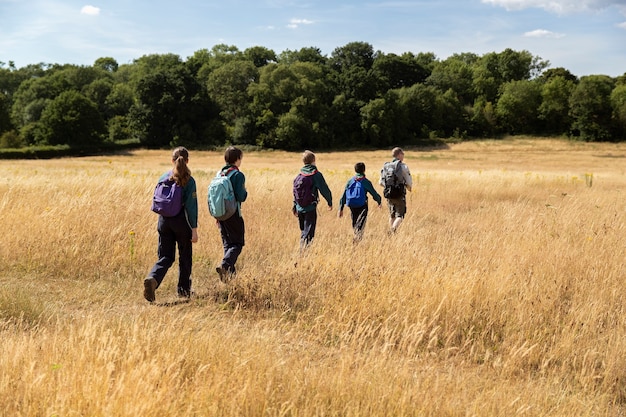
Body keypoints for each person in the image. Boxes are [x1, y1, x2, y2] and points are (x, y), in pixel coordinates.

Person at [144, 146, 198, 302]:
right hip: (182, 222)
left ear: (172, 160)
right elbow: (191, 207)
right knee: (185, 256)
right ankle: (183, 290)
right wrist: (194, 229)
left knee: (166, 256)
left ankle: (153, 278)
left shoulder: (163, 176)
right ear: (187, 161)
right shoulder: (189, 180)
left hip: (163, 221)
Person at [215, 146, 248, 282]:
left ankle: (230, 279)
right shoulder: (237, 175)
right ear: (238, 159)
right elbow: (241, 196)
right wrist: (245, 192)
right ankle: (225, 265)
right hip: (233, 213)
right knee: (237, 244)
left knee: (228, 244)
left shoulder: (220, 174)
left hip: (220, 213)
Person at [292, 150, 332, 248]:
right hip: (310, 208)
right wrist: (329, 202)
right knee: (308, 234)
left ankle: (303, 252)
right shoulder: (316, 174)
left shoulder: (299, 175)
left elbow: (295, 192)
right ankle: (303, 254)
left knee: (303, 232)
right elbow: (324, 189)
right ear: (313, 160)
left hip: (299, 208)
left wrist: (294, 206)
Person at [338, 162, 382, 242]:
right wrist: (379, 201)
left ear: (355, 170)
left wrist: (341, 208)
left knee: (354, 221)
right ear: (364, 170)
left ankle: (356, 235)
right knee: (361, 222)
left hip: (351, 204)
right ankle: (357, 238)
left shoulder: (350, 181)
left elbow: (344, 195)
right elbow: (374, 194)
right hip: (362, 205)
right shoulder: (365, 182)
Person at [379, 147, 412, 234]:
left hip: (389, 194)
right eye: (403, 154)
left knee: (392, 214)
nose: (403, 156)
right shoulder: (402, 166)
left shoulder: (386, 166)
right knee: (400, 215)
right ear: (399, 155)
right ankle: (392, 230)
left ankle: (392, 233)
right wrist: (409, 188)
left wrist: (389, 187)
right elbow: (408, 181)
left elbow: (381, 182)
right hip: (399, 193)